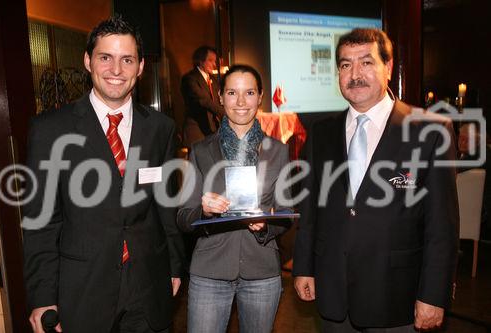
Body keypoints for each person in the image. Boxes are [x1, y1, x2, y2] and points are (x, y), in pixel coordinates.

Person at [23, 16, 185, 333]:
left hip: (148, 286)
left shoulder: (160, 128)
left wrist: (175, 266)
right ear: (88, 61)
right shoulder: (50, 130)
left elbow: (166, 207)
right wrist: (43, 296)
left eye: (127, 60)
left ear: (140, 67)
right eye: (105, 57)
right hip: (83, 290)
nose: (116, 70)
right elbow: (40, 222)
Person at [293, 28, 459, 332]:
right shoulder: (320, 133)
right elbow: (310, 209)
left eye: (366, 62)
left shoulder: (431, 131)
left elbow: (442, 226)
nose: (355, 74)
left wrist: (434, 295)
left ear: (389, 67)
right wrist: (303, 267)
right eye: (345, 65)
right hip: (334, 296)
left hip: (397, 298)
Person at [177, 64, 291, 333]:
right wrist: (203, 212)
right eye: (232, 93)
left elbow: (286, 213)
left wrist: (265, 224)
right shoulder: (200, 150)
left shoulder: (278, 151)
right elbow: (183, 217)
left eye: (249, 92)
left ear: (260, 96)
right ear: (220, 97)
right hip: (209, 271)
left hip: (261, 270)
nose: (241, 102)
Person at [181, 45, 224, 147]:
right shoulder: (189, 79)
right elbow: (204, 101)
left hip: (212, 130)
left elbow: (221, 99)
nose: (214, 64)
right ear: (200, 61)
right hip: (196, 131)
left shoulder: (214, 80)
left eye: (215, 61)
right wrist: (226, 113)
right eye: (210, 60)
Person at [458, 123, 491, 240]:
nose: (461, 142)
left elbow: (451, 171)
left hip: (482, 220)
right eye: (460, 138)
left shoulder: (477, 156)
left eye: (466, 140)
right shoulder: (482, 151)